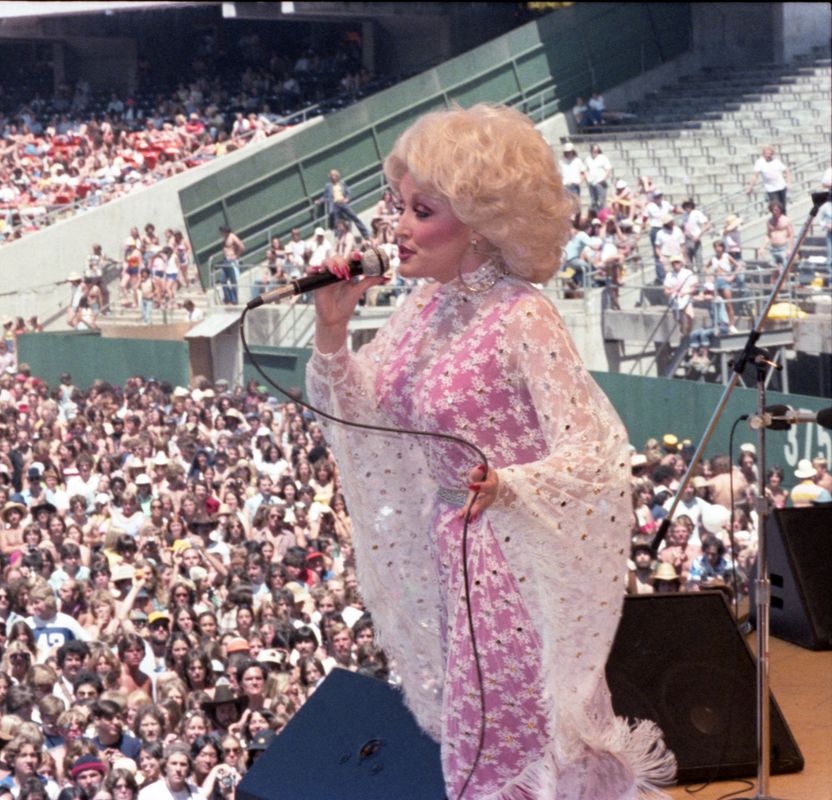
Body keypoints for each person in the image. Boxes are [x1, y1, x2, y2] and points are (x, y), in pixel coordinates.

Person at [304, 104, 674, 798]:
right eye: (399, 208)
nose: (399, 229)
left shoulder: (522, 315)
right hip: (456, 556)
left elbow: (593, 450)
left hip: (518, 563)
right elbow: (362, 416)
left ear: (479, 223)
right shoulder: (424, 309)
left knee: (521, 736)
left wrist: (507, 485)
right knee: (478, 735)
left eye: (422, 211)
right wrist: (333, 329)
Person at [322, 170, 369, 240]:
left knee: (354, 216)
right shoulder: (328, 186)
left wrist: (347, 198)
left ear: (337, 176)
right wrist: (319, 201)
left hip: (343, 203)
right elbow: (325, 196)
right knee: (336, 222)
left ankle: (365, 233)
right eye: (332, 176)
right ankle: (339, 238)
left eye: (334, 175)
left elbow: (348, 192)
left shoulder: (342, 183)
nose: (333, 177)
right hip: (335, 205)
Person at [745, 145, 790, 213]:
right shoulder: (760, 162)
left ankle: (784, 222)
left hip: (781, 187)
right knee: (776, 207)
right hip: (771, 189)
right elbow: (755, 175)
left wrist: (788, 182)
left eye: (770, 154)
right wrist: (750, 187)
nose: (768, 155)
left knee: (783, 208)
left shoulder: (777, 162)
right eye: (766, 154)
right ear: (763, 154)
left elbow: (786, 171)